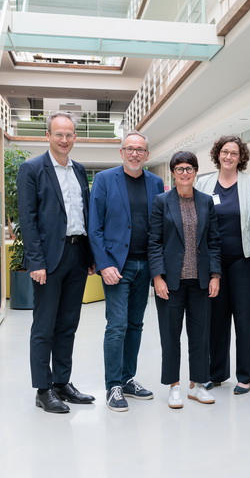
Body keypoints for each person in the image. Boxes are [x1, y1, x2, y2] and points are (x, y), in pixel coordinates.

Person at [17, 111, 95, 413]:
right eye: (58, 134)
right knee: (44, 326)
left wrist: (88, 257)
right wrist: (35, 261)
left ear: (75, 137)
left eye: (69, 134)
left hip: (76, 257)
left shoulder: (79, 170)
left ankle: (63, 382)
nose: (64, 139)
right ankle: (43, 388)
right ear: (48, 136)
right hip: (48, 260)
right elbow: (29, 219)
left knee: (68, 325)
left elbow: (83, 216)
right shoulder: (32, 169)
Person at [89, 131, 164, 412]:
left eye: (141, 150)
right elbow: (94, 225)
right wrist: (104, 264)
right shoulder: (105, 180)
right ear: (121, 152)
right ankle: (113, 386)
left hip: (145, 266)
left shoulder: (156, 183)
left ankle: (128, 378)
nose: (135, 154)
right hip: (116, 267)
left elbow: (160, 227)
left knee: (136, 325)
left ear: (147, 154)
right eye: (130, 149)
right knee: (117, 325)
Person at [148, 151, 221, 409]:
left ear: (196, 171)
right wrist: (157, 276)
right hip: (171, 281)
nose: (185, 173)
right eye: (179, 169)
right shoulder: (161, 201)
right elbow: (154, 241)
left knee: (200, 336)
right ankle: (174, 386)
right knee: (170, 336)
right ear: (173, 173)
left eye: (190, 168)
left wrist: (215, 275)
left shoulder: (205, 201)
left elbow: (213, 240)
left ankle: (199, 385)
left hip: (200, 280)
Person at [196, 136, 250, 395]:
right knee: (216, 319)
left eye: (234, 153)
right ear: (217, 154)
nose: (229, 157)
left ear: (241, 157)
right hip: (214, 262)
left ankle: (245, 375)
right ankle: (216, 373)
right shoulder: (204, 183)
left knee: (245, 318)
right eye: (225, 152)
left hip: (245, 259)